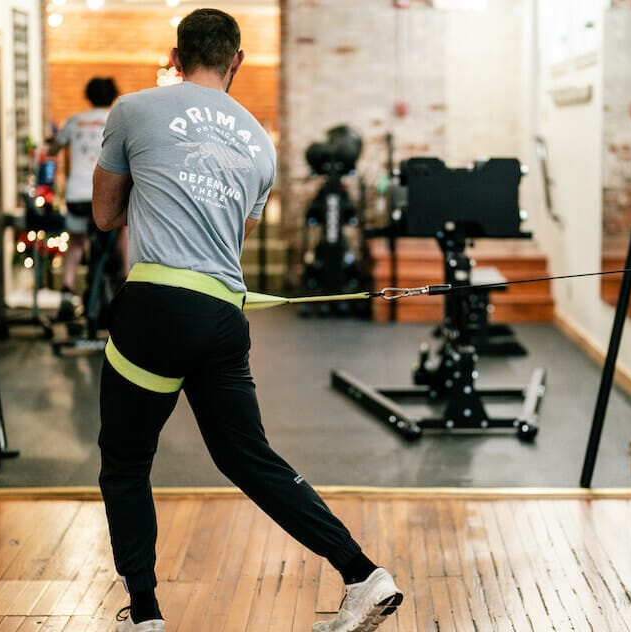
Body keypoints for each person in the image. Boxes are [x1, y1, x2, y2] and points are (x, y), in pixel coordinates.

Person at [91, 9, 402, 632]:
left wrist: (155, 191)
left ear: (175, 57)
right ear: (238, 61)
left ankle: (146, 616)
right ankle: (363, 574)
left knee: (125, 461)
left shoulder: (134, 109)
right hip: (220, 314)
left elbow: (104, 215)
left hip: (155, 307)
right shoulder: (261, 141)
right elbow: (234, 236)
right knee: (248, 457)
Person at [48, 77, 123, 321]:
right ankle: (125, 284)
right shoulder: (117, 119)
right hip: (106, 194)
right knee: (121, 233)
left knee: (77, 242)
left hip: (77, 193)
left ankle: (67, 293)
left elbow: (53, 150)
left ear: (88, 95)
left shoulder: (75, 121)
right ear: (113, 95)